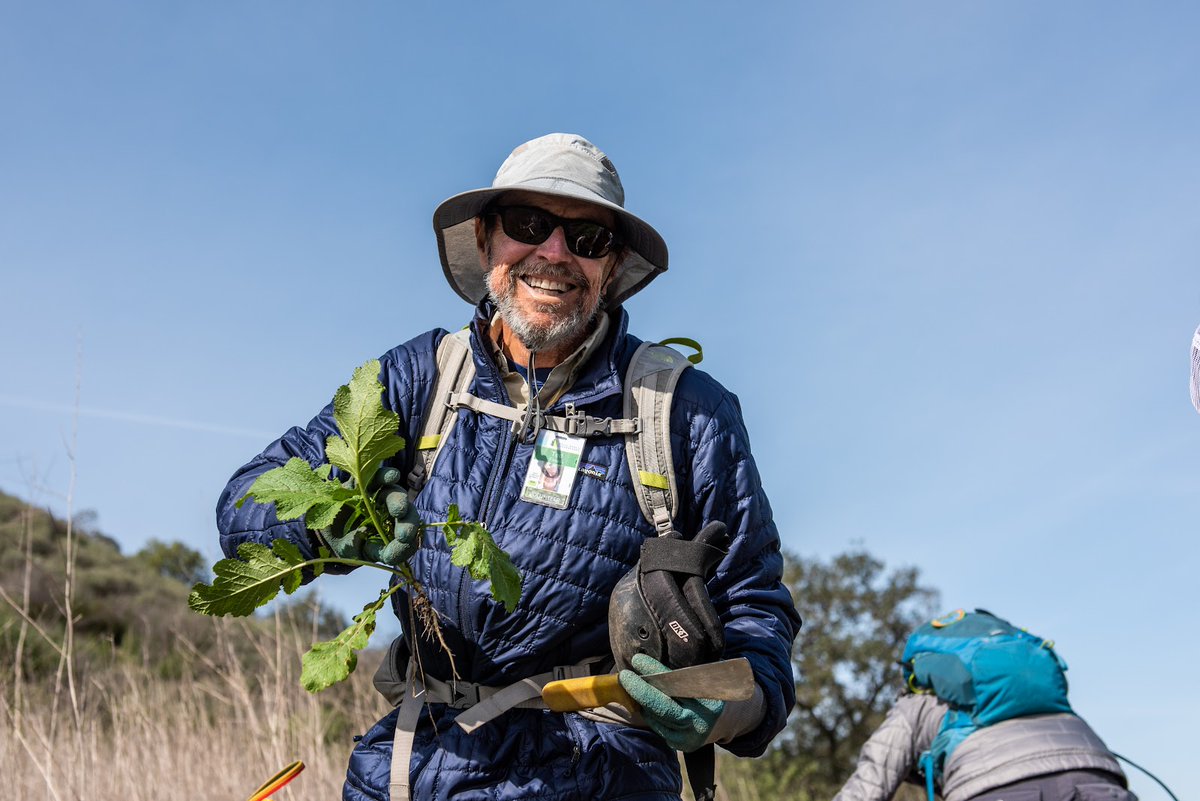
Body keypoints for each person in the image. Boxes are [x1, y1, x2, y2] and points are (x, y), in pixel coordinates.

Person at [216, 133, 801, 801]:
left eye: (587, 237)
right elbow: (246, 504)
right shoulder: (420, 381)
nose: (555, 252)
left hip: (599, 776)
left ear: (609, 267)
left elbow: (756, 612)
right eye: (530, 224)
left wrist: (728, 706)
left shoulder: (683, 412)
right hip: (412, 768)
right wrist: (330, 525)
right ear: (488, 239)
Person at [832, 609, 1133, 801]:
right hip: (1095, 771)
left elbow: (867, 789)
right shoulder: (1035, 691)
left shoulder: (915, 704)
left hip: (995, 789)